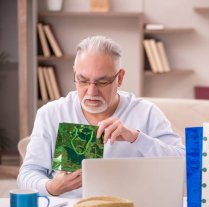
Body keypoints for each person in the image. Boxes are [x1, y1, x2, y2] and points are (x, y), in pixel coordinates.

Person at [17, 36, 185, 198]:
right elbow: (26, 175)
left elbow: (184, 163)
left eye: (102, 82)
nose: (91, 92)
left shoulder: (146, 112)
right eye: (82, 80)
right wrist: (52, 187)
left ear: (120, 78)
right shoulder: (52, 113)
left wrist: (136, 138)